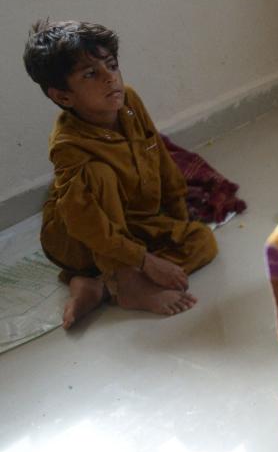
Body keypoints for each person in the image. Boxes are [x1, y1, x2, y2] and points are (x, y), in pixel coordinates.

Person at [23, 20, 217, 328]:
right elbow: (86, 222)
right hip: (79, 238)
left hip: (129, 223)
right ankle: (128, 285)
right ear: (63, 97)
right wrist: (144, 261)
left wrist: (179, 217)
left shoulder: (129, 101)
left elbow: (161, 157)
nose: (109, 78)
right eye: (90, 74)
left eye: (111, 66)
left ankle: (96, 286)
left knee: (202, 241)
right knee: (100, 174)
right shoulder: (68, 146)